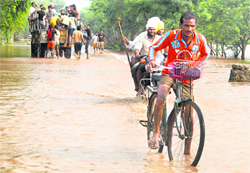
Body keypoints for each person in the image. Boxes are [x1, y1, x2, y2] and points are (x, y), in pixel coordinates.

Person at [147, 12, 210, 149]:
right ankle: (156, 133)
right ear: (180, 25)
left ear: (195, 26)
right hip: (169, 72)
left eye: (192, 26)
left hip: (187, 75)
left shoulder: (200, 39)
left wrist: (195, 64)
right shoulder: (171, 35)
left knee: (189, 111)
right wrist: (151, 60)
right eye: (186, 26)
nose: (189, 29)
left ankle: (187, 150)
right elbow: (153, 47)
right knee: (162, 97)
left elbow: (206, 54)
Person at [121, 17, 164, 96]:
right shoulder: (142, 37)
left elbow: (167, 47)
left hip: (158, 61)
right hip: (146, 59)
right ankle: (140, 87)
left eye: (154, 29)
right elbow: (136, 46)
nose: (152, 31)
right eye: (150, 29)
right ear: (147, 29)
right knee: (138, 67)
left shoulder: (160, 38)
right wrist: (137, 53)